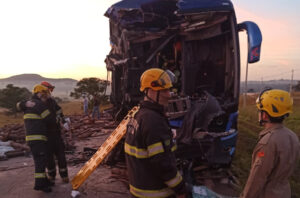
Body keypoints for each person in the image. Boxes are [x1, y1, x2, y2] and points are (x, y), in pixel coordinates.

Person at [124, 68, 187, 198]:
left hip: (139, 190)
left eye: (169, 89)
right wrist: (180, 188)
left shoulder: (138, 115)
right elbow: (162, 163)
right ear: (150, 91)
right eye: (163, 90)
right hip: (155, 192)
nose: (169, 94)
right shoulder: (153, 120)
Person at [240, 89, 300, 198]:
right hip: (284, 192)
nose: (258, 113)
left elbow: (257, 179)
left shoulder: (267, 143)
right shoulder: (292, 136)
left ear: (265, 115)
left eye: (260, 110)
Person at [17, 85, 54, 192]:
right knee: (40, 162)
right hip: (38, 139)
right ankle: (40, 185)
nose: (47, 96)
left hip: (31, 139)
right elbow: (50, 119)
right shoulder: (39, 105)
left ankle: (45, 180)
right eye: (46, 94)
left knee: (40, 160)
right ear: (41, 93)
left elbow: (19, 105)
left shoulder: (28, 104)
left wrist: (22, 104)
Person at [40, 81, 69, 183]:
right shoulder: (39, 102)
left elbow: (59, 111)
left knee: (61, 154)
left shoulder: (51, 101)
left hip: (56, 133)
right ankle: (51, 175)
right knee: (49, 157)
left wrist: (64, 121)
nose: (50, 92)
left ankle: (64, 176)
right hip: (46, 134)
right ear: (43, 89)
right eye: (49, 89)